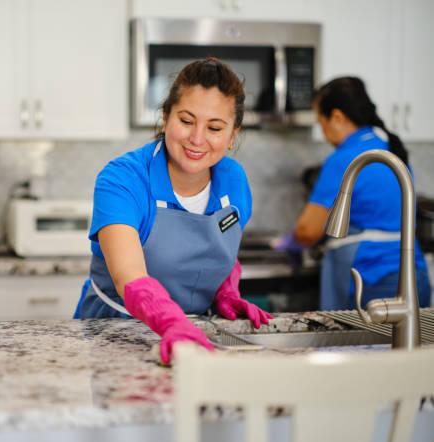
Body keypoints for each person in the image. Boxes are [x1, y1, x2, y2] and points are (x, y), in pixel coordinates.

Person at [73, 58, 271, 364]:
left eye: (214, 127)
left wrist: (226, 294)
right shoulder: (123, 179)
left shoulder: (234, 180)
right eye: (186, 121)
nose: (197, 138)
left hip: (196, 337)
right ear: (166, 117)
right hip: (115, 335)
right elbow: (128, 276)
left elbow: (222, 252)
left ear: (232, 135)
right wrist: (171, 323)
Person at [293, 76, 431, 310]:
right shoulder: (393, 150)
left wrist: (289, 242)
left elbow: (307, 231)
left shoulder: (344, 159)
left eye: (321, 123)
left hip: (369, 280)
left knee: (356, 337)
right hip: (415, 275)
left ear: (337, 117)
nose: (324, 132)